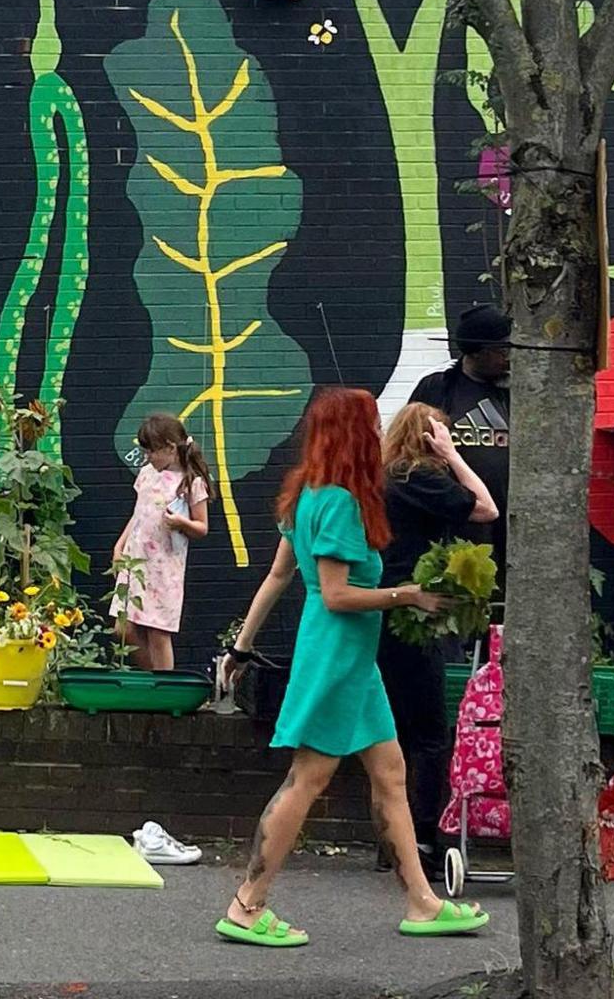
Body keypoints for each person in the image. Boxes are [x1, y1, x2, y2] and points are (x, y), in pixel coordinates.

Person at [219, 387, 488, 947]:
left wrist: (240, 648)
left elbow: (278, 577)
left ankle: (422, 901)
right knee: (307, 779)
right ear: (354, 434)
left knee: (390, 774)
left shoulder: (306, 496)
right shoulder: (341, 502)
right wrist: (407, 594)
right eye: (370, 424)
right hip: (339, 656)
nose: (377, 432)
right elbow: (339, 595)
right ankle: (247, 905)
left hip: (350, 659)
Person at [374, 402, 498, 875]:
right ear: (428, 438)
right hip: (415, 612)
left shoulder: (385, 478)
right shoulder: (419, 478)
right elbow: (485, 508)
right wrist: (454, 456)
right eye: (444, 435)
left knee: (391, 731)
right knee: (427, 734)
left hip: (386, 608)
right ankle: (422, 838)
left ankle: (389, 840)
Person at [408, 305, 512, 574]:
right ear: (478, 352)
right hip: (457, 522)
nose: (508, 358)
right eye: (502, 351)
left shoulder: (515, 391)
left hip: (510, 522)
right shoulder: (438, 388)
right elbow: (409, 451)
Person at [110, 413, 210, 673]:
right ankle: (152, 676)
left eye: (152, 451)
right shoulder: (146, 474)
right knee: (123, 627)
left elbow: (202, 527)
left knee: (158, 632)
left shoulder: (191, 482)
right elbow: (138, 513)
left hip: (164, 566)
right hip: (135, 560)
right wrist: (119, 546)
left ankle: (163, 685)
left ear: (170, 447)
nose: (148, 457)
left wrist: (182, 523)